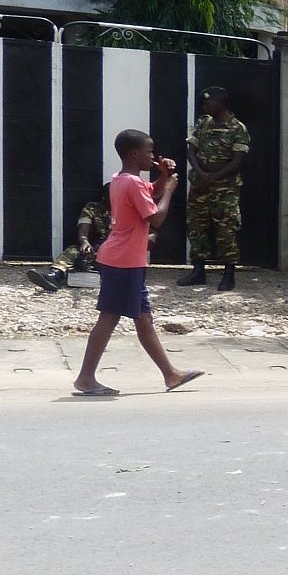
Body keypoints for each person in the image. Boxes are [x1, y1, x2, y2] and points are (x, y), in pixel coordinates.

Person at [70, 129, 204, 396]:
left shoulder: (122, 179)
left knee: (144, 320)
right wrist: (169, 190)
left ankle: (171, 374)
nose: (153, 156)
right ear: (134, 154)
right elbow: (154, 218)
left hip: (128, 260)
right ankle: (85, 378)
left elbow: (148, 191)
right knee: (108, 318)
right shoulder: (131, 183)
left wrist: (163, 177)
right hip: (123, 262)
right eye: (149, 152)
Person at [182, 86, 251, 291]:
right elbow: (191, 150)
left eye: (209, 102)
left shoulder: (238, 128)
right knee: (196, 227)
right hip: (199, 185)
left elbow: (237, 161)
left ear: (221, 103)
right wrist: (201, 174)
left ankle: (228, 274)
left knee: (226, 230)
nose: (205, 106)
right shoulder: (203, 123)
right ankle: (198, 271)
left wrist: (213, 177)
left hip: (225, 189)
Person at [27, 188, 113, 292]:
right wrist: (84, 242)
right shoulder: (92, 208)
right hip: (97, 247)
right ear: (105, 197)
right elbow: (83, 231)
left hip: (117, 250)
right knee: (72, 250)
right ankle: (54, 276)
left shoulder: (126, 209)